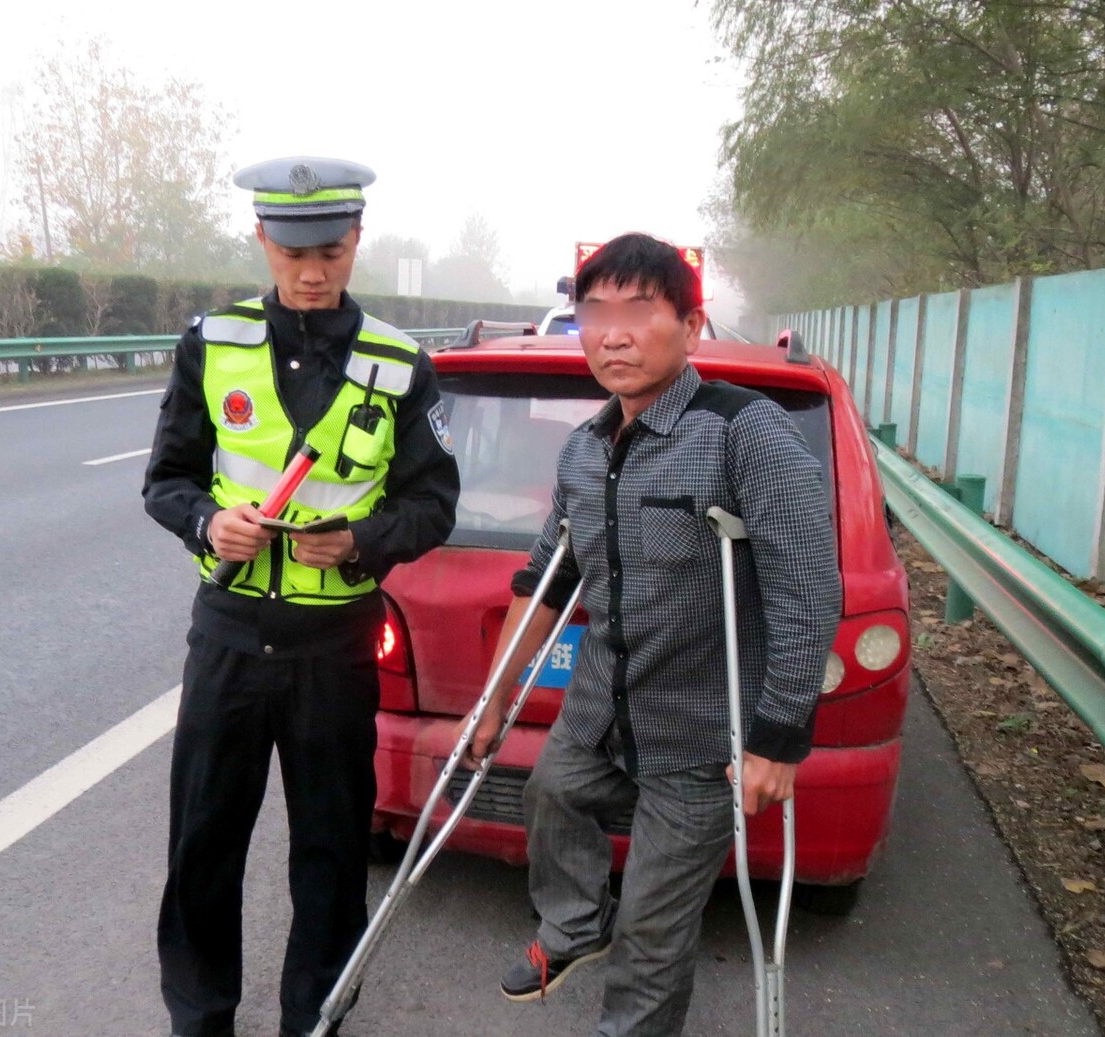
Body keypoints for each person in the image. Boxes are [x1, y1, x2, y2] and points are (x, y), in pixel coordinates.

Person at [462, 233, 841, 1036]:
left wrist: (779, 739)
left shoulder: (748, 434)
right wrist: (494, 700)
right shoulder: (584, 449)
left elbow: (807, 590)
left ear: (692, 325)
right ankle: (572, 925)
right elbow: (546, 581)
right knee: (548, 793)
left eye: (640, 311)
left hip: (702, 736)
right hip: (598, 712)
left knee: (652, 937)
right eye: (596, 312)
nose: (614, 333)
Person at [143, 156, 459, 1037]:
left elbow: (434, 503)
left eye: (329, 250)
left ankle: (312, 1020)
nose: (311, 271)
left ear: (357, 240)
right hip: (231, 639)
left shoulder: (401, 364)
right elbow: (165, 480)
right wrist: (209, 523)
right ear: (262, 242)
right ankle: (200, 1017)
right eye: (292, 253)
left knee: (328, 851)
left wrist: (360, 540)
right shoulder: (213, 343)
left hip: (335, 646)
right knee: (203, 844)